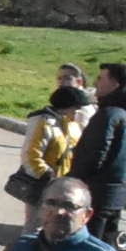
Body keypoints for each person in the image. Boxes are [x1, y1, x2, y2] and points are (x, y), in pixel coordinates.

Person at [22, 84, 89, 228]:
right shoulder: (43, 122)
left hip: (62, 184)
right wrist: (48, 176)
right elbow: (31, 155)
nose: (77, 111)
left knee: (56, 227)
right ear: (65, 106)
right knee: (36, 226)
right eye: (75, 107)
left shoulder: (71, 124)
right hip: (42, 185)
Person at [79, 62, 126, 246]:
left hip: (97, 192)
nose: (96, 82)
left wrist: (76, 181)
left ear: (115, 84)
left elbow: (95, 154)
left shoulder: (109, 114)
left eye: (101, 78)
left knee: (90, 246)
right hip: (116, 193)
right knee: (108, 246)